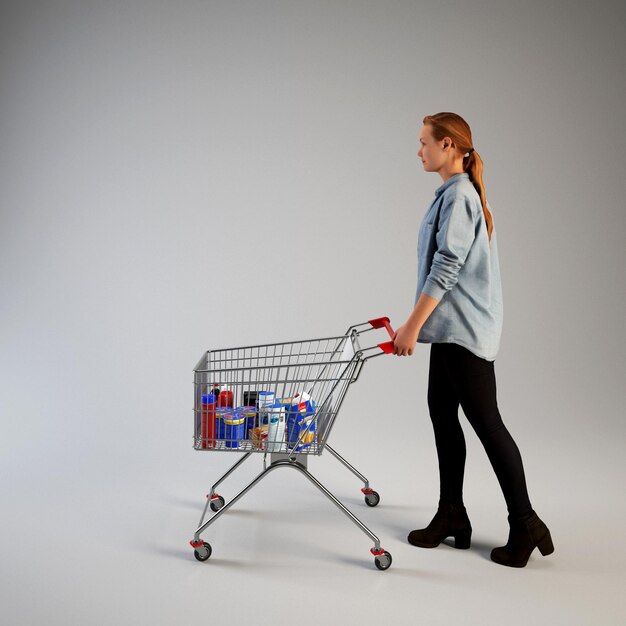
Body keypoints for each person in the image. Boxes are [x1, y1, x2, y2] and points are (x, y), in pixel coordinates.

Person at [393, 112, 554, 568]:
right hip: (449, 329)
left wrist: (410, 326)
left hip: (463, 331)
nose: (419, 150)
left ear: (448, 145)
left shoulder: (460, 195)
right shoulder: (452, 194)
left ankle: (525, 522)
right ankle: (452, 515)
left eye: (424, 141)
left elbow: (447, 267)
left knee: (486, 422)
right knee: (443, 414)